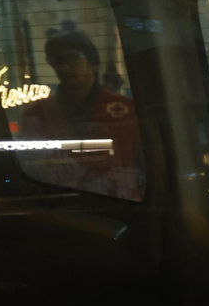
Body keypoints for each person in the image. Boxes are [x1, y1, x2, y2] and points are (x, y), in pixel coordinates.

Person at [18, 29, 144, 201]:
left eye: (72, 58)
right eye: (56, 61)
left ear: (93, 63)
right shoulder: (36, 115)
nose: (63, 67)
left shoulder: (126, 110)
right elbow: (30, 168)